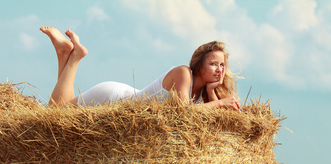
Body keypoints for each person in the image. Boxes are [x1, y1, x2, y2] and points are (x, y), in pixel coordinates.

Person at [40, 26, 241, 110]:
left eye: (222, 65)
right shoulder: (183, 73)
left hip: (119, 103)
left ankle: (64, 53)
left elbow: (215, 119)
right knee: (55, 116)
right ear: (199, 65)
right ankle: (74, 57)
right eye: (213, 63)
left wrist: (212, 91)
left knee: (60, 112)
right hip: (114, 97)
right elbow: (186, 114)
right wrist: (221, 103)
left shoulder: (200, 95)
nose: (219, 69)